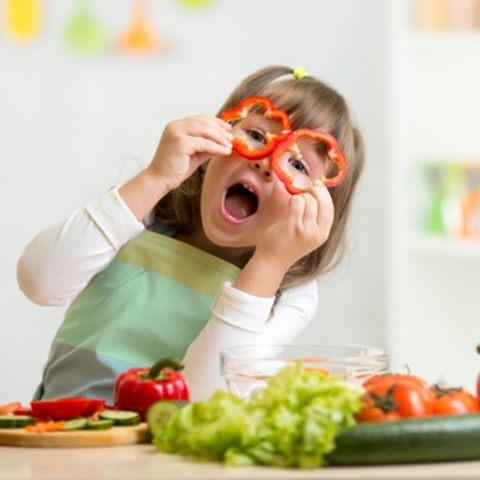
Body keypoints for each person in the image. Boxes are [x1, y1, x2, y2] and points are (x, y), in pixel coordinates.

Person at [17, 65, 365, 403]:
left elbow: (204, 398)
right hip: (54, 437)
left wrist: (269, 264)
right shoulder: (143, 211)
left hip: (161, 458)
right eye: (256, 135)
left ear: (319, 208)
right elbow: (39, 283)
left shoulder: (291, 292)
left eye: (298, 164)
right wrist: (154, 178)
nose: (265, 162)